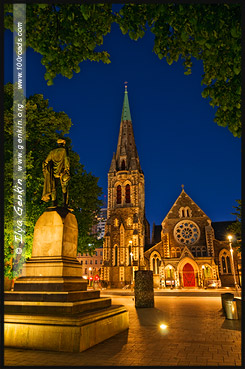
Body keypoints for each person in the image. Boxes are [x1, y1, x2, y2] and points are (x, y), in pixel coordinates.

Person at [41, 138, 70, 207]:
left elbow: (45, 162)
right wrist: (67, 170)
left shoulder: (52, 152)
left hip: (53, 172)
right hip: (62, 172)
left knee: (53, 188)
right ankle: (65, 204)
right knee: (64, 188)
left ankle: (54, 204)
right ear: (63, 144)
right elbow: (66, 160)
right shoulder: (64, 150)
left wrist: (45, 170)